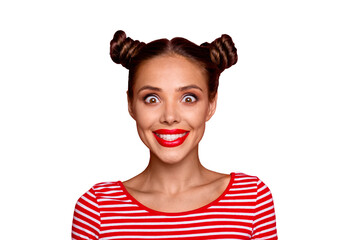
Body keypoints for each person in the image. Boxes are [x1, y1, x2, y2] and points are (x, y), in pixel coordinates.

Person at [71, 30, 278, 240]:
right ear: (131, 105)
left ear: (211, 105)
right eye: (152, 99)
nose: (170, 117)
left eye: (188, 98)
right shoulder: (97, 209)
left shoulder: (250, 199)